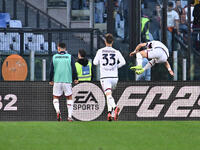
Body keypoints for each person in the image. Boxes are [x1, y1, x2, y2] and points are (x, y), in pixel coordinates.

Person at [93, 33, 126, 121]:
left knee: (108, 95)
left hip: (105, 77)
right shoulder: (116, 51)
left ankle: (115, 108)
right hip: (114, 77)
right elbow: (123, 62)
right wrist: (116, 67)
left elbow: (95, 63)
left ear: (105, 41)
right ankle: (109, 114)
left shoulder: (100, 51)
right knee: (109, 95)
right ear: (112, 41)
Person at [49, 43, 78, 122]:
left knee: (55, 97)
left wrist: (50, 79)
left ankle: (58, 111)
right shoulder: (69, 56)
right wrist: (75, 78)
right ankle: (69, 117)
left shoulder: (54, 57)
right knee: (69, 97)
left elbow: (51, 70)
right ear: (65, 48)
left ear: (58, 48)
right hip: (67, 80)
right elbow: (73, 68)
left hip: (57, 80)